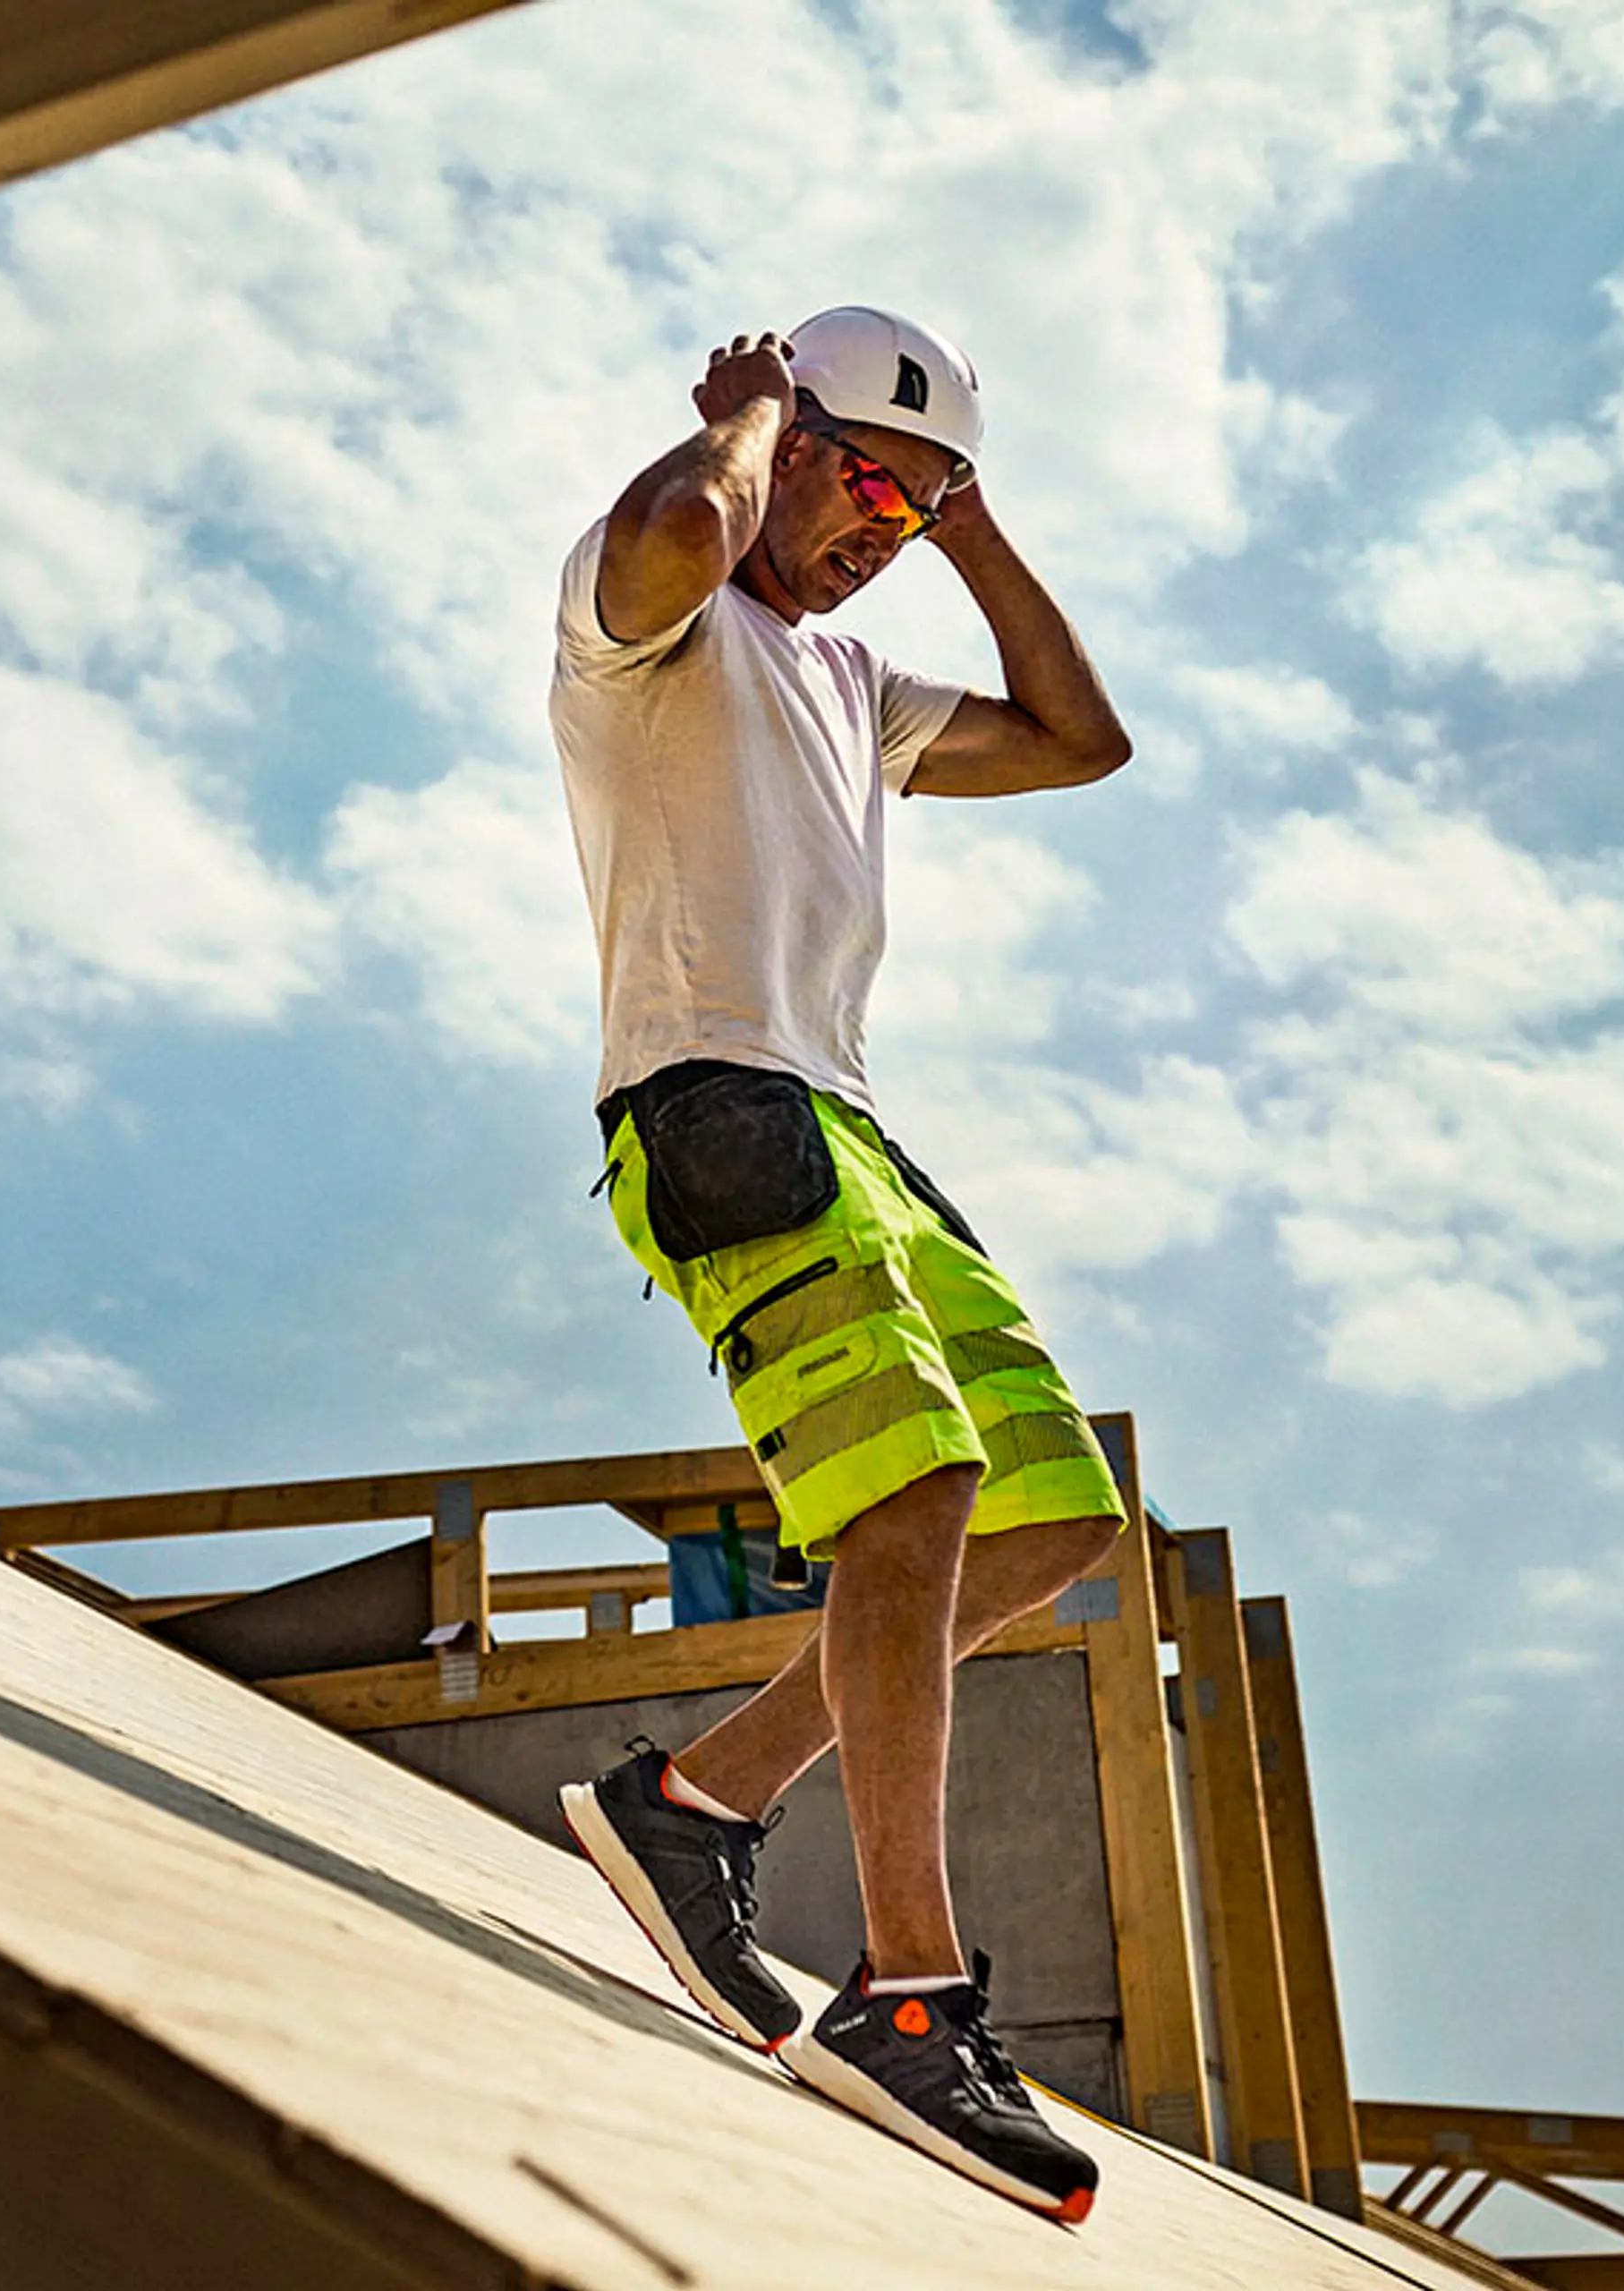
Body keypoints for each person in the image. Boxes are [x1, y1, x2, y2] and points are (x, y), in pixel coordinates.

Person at [548, 307, 1134, 2221]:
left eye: (922, 498)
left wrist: (965, 530)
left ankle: (694, 1802)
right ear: (783, 439)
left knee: (1051, 1515)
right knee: (915, 1485)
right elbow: (669, 539)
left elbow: (1079, 740)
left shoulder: (862, 684)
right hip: (713, 1099)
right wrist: (735, 427)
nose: (883, 523)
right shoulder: (653, 613)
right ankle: (910, 1996)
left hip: (855, 1125)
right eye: (866, 479)